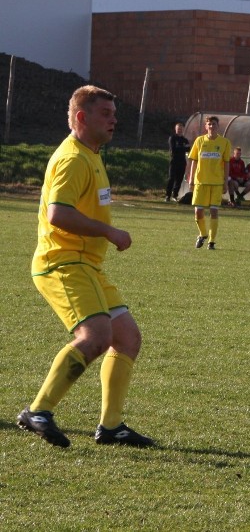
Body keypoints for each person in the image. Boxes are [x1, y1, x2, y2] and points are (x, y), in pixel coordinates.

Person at [17, 85, 154, 448]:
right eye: (105, 114)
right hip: (62, 262)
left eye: (113, 113)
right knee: (95, 337)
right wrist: (108, 230)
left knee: (127, 338)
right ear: (82, 117)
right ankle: (38, 411)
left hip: (87, 265)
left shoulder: (90, 153)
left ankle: (111, 427)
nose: (114, 119)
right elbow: (58, 214)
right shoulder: (73, 158)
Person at [188, 116, 232, 250]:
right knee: (198, 212)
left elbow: (226, 164)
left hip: (217, 182)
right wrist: (191, 179)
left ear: (218, 126)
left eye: (214, 124)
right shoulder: (199, 141)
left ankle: (211, 242)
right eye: (209, 124)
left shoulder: (224, 142)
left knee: (214, 211)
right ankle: (202, 234)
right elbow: (194, 160)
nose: (211, 126)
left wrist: (225, 182)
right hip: (201, 182)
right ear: (206, 127)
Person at [165, 122, 190, 202]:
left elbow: (188, 149)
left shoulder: (185, 140)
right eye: (178, 129)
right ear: (175, 129)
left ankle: (175, 195)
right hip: (174, 161)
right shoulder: (172, 138)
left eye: (181, 129)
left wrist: (181, 148)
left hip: (182, 162)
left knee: (179, 180)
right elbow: (173, 150)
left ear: (183, 130)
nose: (180, 130)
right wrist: (182, 148)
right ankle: (167, 195)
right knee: (171, 178)